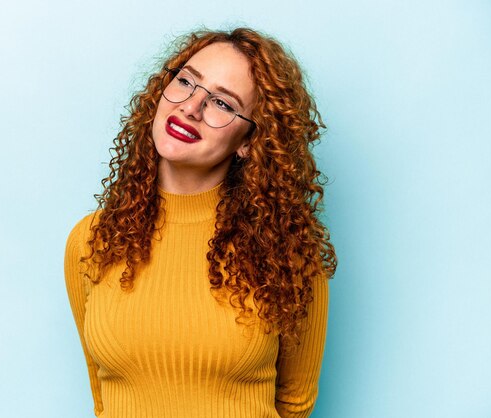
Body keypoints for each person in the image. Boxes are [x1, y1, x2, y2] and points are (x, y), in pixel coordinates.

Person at [64, 27, 337, 418]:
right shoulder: (92, 241)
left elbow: (295, 402)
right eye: (186, 82)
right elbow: (102, 398)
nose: (191, 106)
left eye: (223, 104)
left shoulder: (287, 251)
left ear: (248, 142)